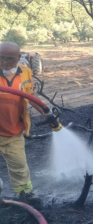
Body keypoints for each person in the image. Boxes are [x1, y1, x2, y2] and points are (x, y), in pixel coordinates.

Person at [0, 42, 49, 208]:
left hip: (13, 129)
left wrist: (46, 113)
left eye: (9, 59)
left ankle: (24, 193)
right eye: (1, 58)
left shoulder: (26, 72)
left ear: (19, 58)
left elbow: (30, 96)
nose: (5, 62)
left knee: (19, 165)